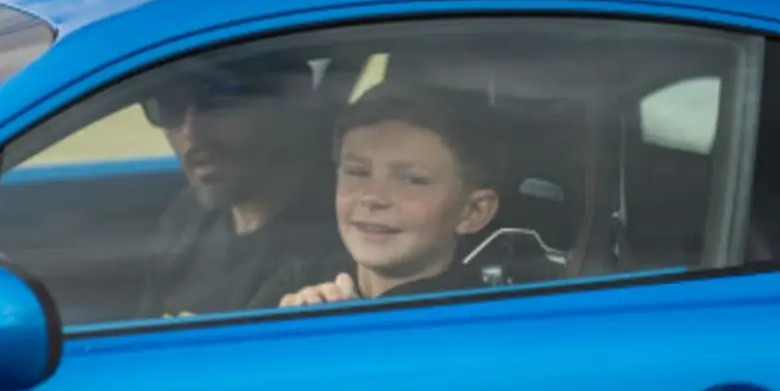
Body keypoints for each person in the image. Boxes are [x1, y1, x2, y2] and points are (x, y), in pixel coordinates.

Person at [249, 80, 503, 309]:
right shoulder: (296, 284)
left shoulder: (486, 310)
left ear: (473, 212)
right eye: (357, 172)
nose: (373, 197)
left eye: (412, 180)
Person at [134, 58, 345, 319]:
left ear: (288, 102)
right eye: (168, 107)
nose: (192, 133)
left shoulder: (339, 248)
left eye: (219, 103)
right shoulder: (185, 218)